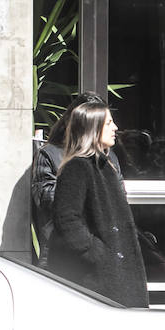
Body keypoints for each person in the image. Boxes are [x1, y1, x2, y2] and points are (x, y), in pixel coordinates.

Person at [49, 101, 149, 308]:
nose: (116, 128)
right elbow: (67, 219)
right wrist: (99, 254)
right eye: (108, 123)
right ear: (92, 129)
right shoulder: (77, 167)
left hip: (113, 272)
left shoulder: (104, 164)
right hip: (98, 279)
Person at [32, 91, 104, 266]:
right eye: (105, 122)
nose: (114, 127)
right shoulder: (50, 153)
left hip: (102, 247)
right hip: (62, 252)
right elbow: (46, 200)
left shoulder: (108, 158)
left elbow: (117, 197)